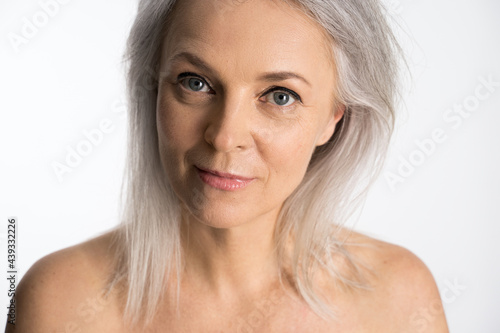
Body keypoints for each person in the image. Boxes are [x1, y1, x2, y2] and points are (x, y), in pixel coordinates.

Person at [8, 0, 449, 331]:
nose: (223, 136)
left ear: (333, 118)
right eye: (195, 83)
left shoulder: (399, 301)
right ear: (152, 88)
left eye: (280, 95)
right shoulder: (58, 303)